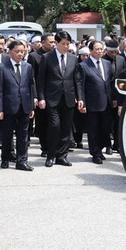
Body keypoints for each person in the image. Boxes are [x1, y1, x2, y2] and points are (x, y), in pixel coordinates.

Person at [37, 32, 83, 168]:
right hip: (52, 98)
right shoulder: (47, 58)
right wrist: (41, 97)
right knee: (54, 126)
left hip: (68, 98)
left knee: (65, 128)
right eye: (63, 44)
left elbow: (77, 80)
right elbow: (41, 80)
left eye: (68, 44)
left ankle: (62, 156)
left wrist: (80, 98)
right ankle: (50, 155)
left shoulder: (73, 58)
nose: (66, 46)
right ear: (56, 44)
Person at [0, 39, 36, 171]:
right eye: (17, 51)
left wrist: (31, 106)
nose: (20, 54)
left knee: (23, 136)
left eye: (22, 52)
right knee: (7, 135)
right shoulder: (2, 67)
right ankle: (5, 158)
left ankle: (22, 161)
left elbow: (30, 86)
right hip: (8, 106)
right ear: (10, 52)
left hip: (24, 105)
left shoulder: (28, 67)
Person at [78, 40, 116, 164]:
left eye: (101, 49)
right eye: (97, 49)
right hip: (92, 102)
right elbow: (81, 85)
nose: (100, 51)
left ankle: (99, 148)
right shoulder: (84, 65)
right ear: (90, 51)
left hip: (107, 102)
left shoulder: (107, 63)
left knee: (105, 129)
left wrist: (114, 98)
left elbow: (110, 82)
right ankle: (95, 153)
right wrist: (81, 100)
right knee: (93, 129)